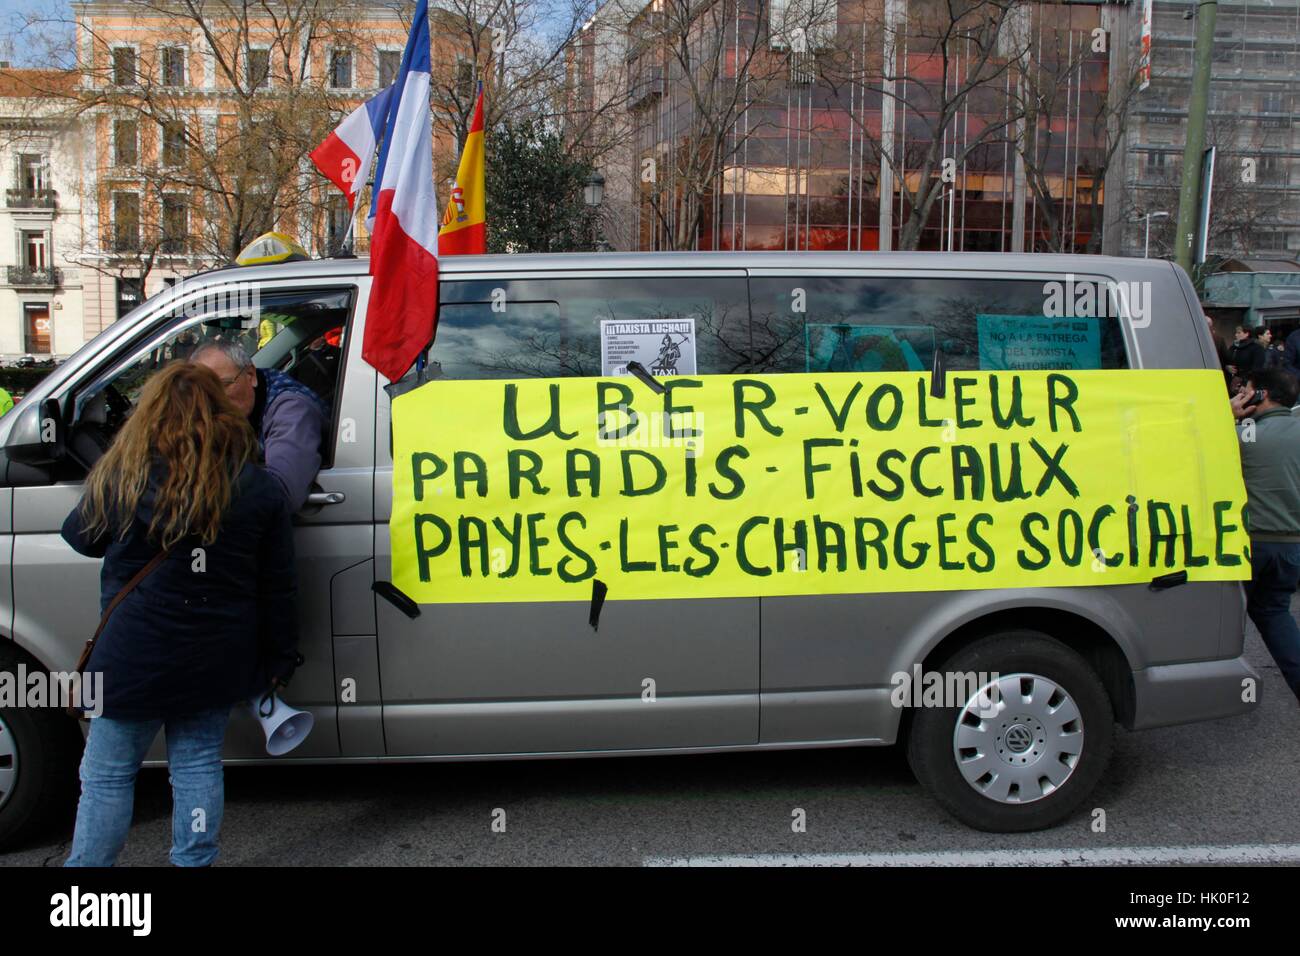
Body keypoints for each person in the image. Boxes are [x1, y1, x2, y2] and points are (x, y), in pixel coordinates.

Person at [62, 362, 300, 866]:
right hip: (217, 651)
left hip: (135, 651)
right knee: (195, 765)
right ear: (221, 413)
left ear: (150, 415)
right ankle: (193, 862)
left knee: (107, 773)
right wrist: (279, 659)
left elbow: (80, 537)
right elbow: (278, 585)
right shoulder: (257, 486)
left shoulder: (126, 474)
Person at [1229, 366, 1300, 706]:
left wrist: (1228, 415)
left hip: (1249, 542)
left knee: (1224, 614)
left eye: (1248, 389)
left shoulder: (1244, 434)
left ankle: (1211, 689)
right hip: (1292, 545)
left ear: (1262, 394)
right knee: (1274, 613)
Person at [192, 340, 329, 512]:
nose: (214, 397)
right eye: (205, 390)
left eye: (224, 385)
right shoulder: (238, 404)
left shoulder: (292, 409)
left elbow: (281, 495)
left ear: (250, 375)